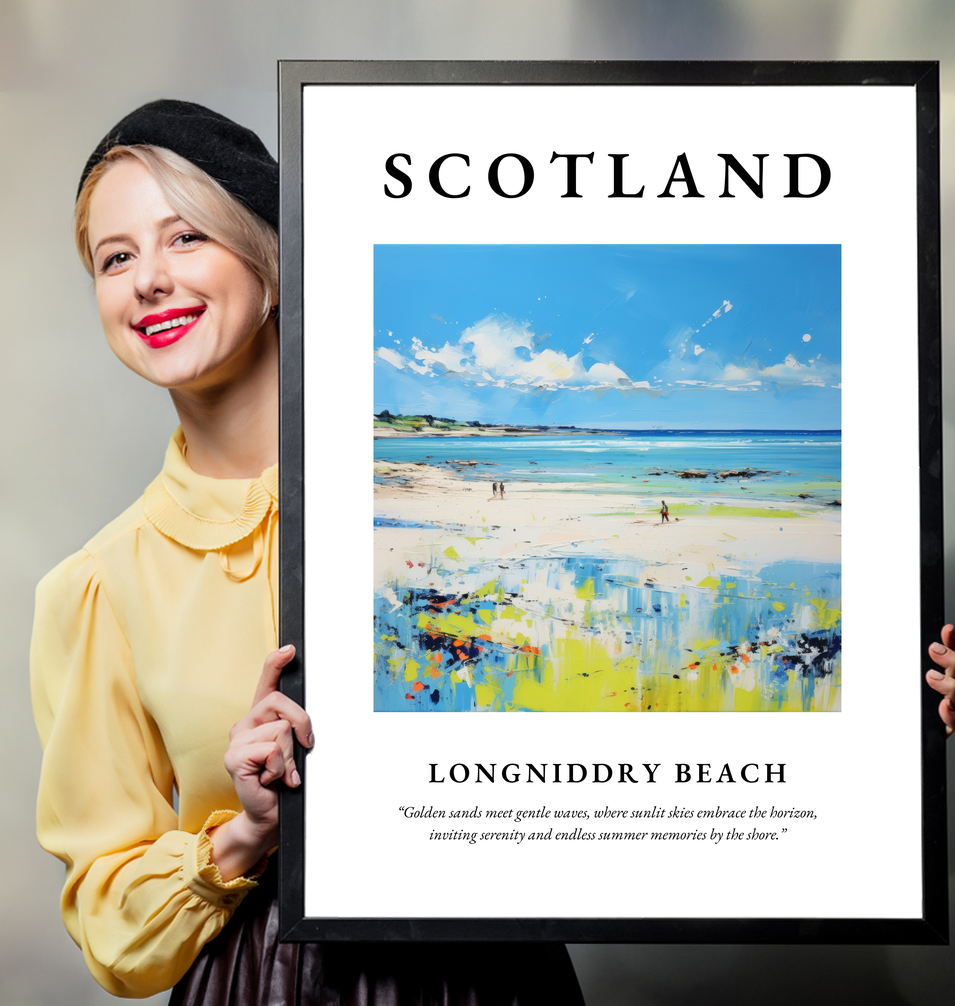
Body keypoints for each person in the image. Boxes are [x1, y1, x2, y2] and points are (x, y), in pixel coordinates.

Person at [30, 100, 585, 1004]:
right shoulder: (97, 587)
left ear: (273, 264)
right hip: (263, 981)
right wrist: (245, 832)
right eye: (116, 257)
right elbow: (110, 924)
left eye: (186, 239)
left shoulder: (443, 506)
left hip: (493, 973)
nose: (148, 281)